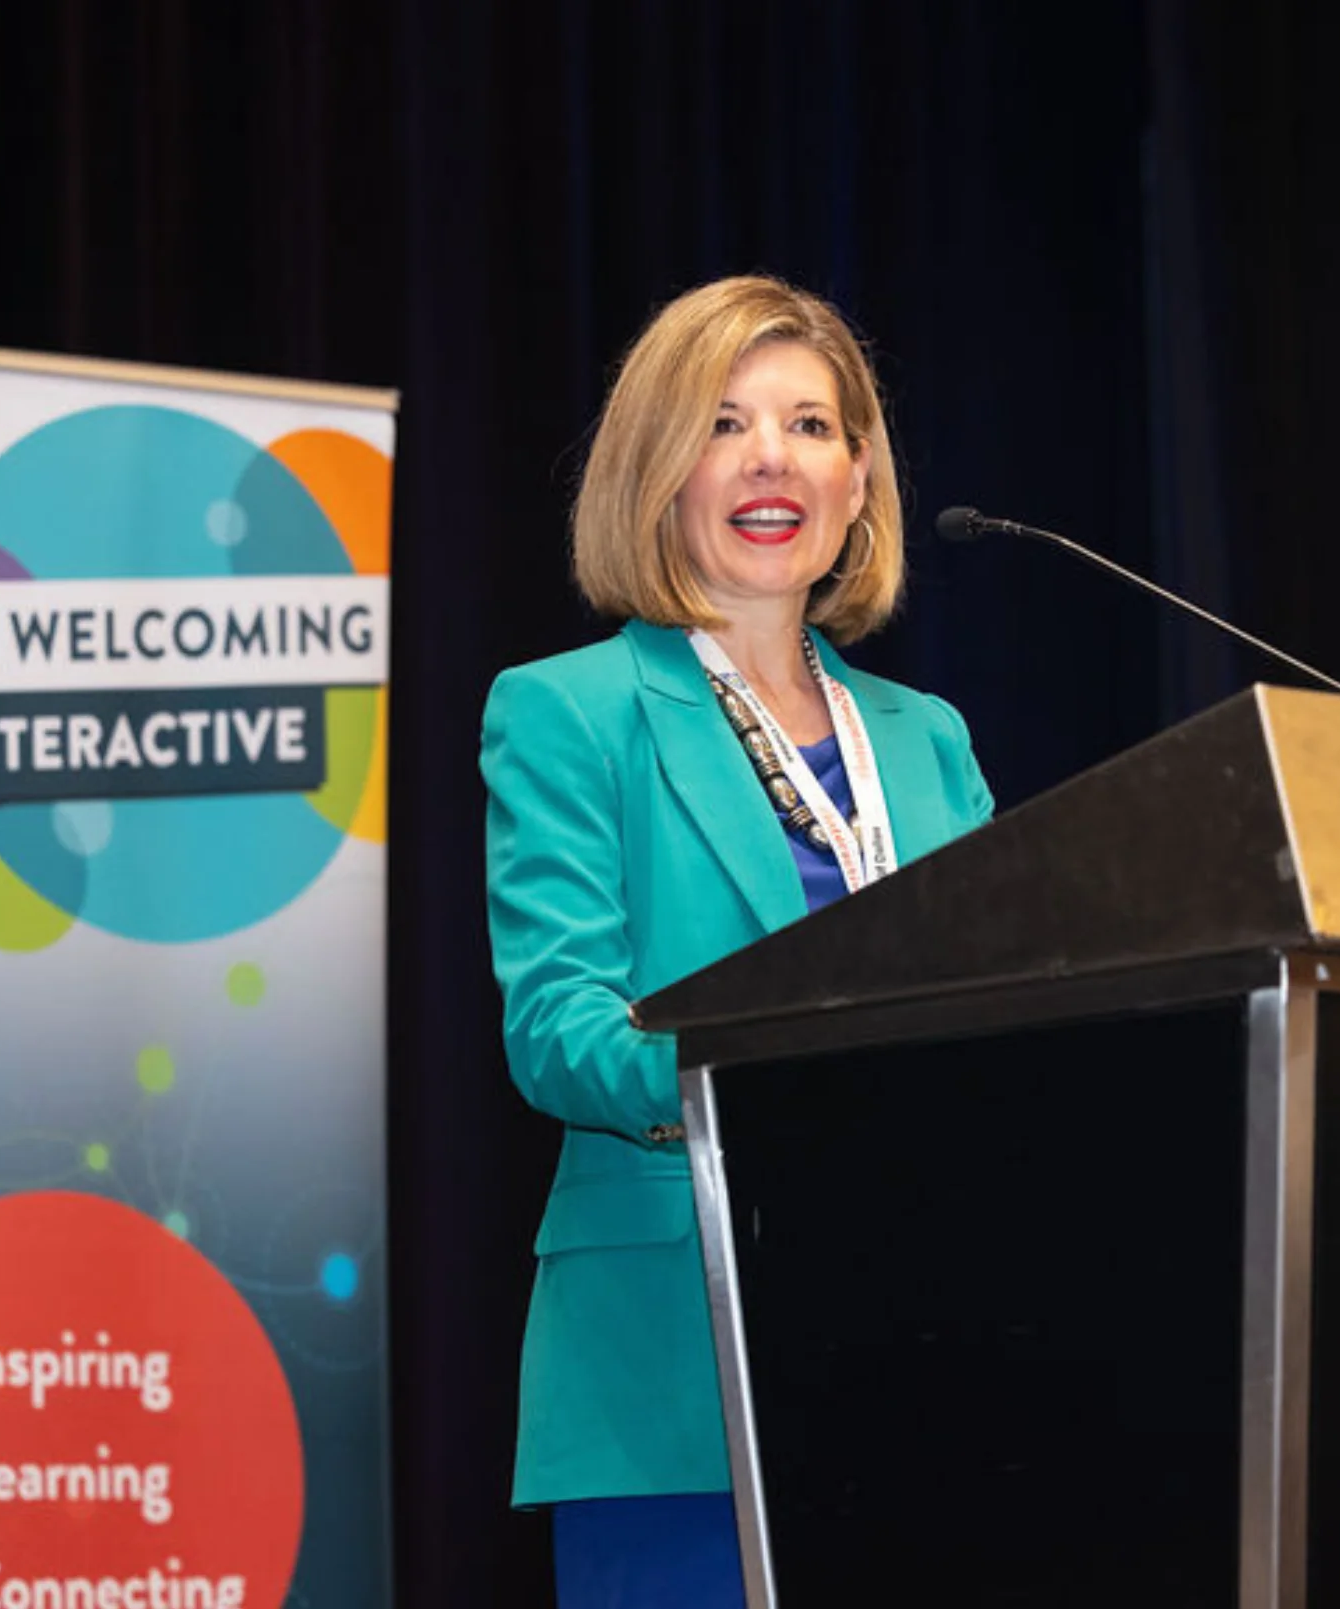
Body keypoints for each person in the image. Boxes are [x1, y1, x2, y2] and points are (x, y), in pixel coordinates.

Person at [480, 275, 994, 1607]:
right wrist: (779, 1088)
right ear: (657, 467)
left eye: (812, 424)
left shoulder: (929, 741)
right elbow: (559, 1030)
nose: (772, 458)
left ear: (861, 475)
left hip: (928, 1358)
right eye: (722, 423)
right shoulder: (567, 713)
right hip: (671, 1379)